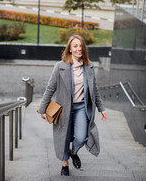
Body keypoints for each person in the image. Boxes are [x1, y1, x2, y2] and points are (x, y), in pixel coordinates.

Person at [37, 34, 108, 176]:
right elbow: (50, 88)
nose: (79, 48)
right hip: (64, 109)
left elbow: (94, 90)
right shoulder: (60, 66)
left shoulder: (89, 66)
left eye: (81, 45)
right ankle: (65, 164)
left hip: (81, 107)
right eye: (75, 46)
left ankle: (73, 152)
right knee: (64, 137)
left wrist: (101, 108)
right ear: (69, 48)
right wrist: (42, 109)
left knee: (81, 137)